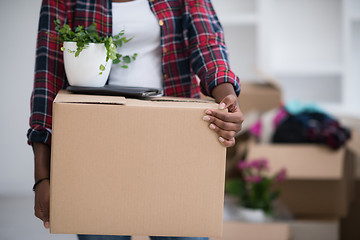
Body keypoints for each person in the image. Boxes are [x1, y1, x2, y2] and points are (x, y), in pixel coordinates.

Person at [28, 0, 243, 239]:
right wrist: (42, 177)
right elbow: (47, 77)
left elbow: (207, 43)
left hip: (175, 139)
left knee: (184, 232)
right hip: (96, 146)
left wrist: (227, 99)